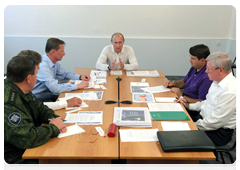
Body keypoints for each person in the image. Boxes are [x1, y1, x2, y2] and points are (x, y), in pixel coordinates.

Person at [4, 55, 67, 170]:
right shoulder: (8, 103)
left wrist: (54, 118)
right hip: (13, 159)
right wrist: (53, 128)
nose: (37, 77)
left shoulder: (21, 88)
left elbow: (40, 108)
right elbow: (26, 138)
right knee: (58, 163)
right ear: (28, 78)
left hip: (23, 149)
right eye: (36, 74)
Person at [177, 52, 238, 146]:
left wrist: (192, 125)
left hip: (217, 132)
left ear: (221, 70)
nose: (206, 71)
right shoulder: (216, 81)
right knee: (175, 119)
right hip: (204, 121)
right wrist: (189, 106)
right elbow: (206, 103)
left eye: (208, 69)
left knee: (177, 136)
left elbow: (215, 122)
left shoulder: (230, 91)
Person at [32, 38, 91, 102]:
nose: (64, 53)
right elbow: (55, 89)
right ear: (53, 52)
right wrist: (77, 86)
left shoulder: (53, 62)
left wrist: (80, 77)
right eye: (62, 51)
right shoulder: (42, 65)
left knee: (76, 100)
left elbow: (65, 74)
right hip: (39, 99)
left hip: (49, 94)